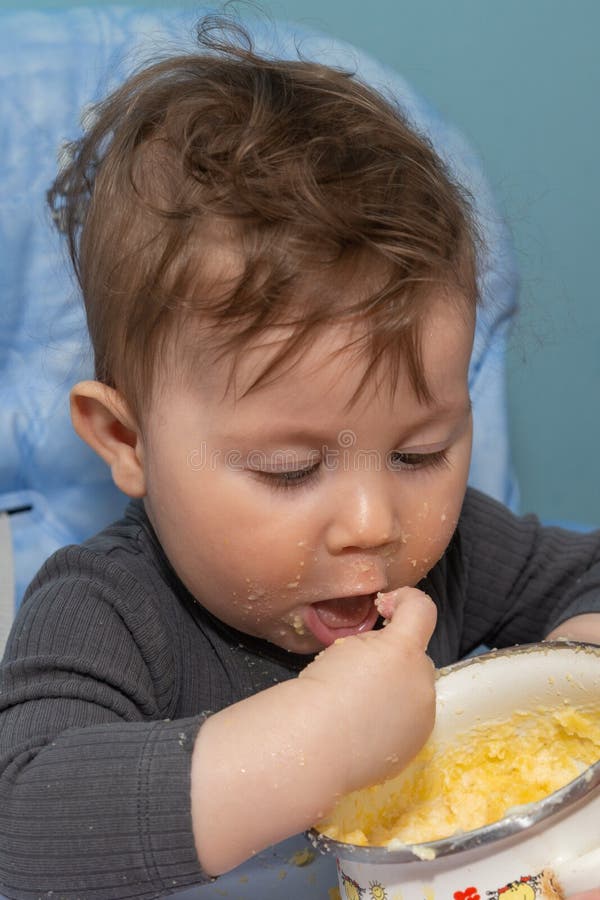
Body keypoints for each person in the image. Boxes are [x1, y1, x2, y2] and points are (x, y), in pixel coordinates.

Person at [1, 14, 599, 899]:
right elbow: (24, 823)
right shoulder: (108, 610)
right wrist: (316, 740)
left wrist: (573, 696)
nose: (374, 523)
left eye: (420, 452)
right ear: (128, 443)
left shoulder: (456, 553)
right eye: (291, 470)